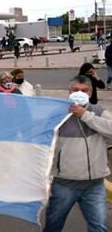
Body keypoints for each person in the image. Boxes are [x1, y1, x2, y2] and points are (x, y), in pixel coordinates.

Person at [43, 75, 112, 232]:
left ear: (90, 92)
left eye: (84, 90)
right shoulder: (57, 115)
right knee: (53, 226)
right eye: (75, 90)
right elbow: (46, 148)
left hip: (94, 185)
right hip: (64, 184)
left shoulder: (99, 112)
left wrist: (85, 115)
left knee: (99, 227)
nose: (79, 93)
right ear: (69, 91)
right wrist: (46, 179)